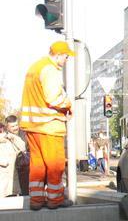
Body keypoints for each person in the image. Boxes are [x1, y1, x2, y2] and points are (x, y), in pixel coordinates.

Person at [19, 41, 74, 210]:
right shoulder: (50, 70)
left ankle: (36, 201)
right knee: (55, 164)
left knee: (37, 164)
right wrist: (68, 104)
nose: (66, 60)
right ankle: (55, 200)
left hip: (32, 126)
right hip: (49, 125)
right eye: (66, 56)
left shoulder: (35, 67)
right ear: (58, 54)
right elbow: (53, 97)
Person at [5, 115, 29, 195]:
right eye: (12, 126)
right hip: (10, 168)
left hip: (24, 167)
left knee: (25, 191)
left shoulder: (24, 134)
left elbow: (25, 148)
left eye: (16, 125)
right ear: (7, 127)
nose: (15, 128)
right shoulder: (4, 136)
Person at [0, 123, 24, 197]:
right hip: (4, 169)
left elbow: (22, 147)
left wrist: (12, 138)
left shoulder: (10, 137)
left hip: (12, 169)